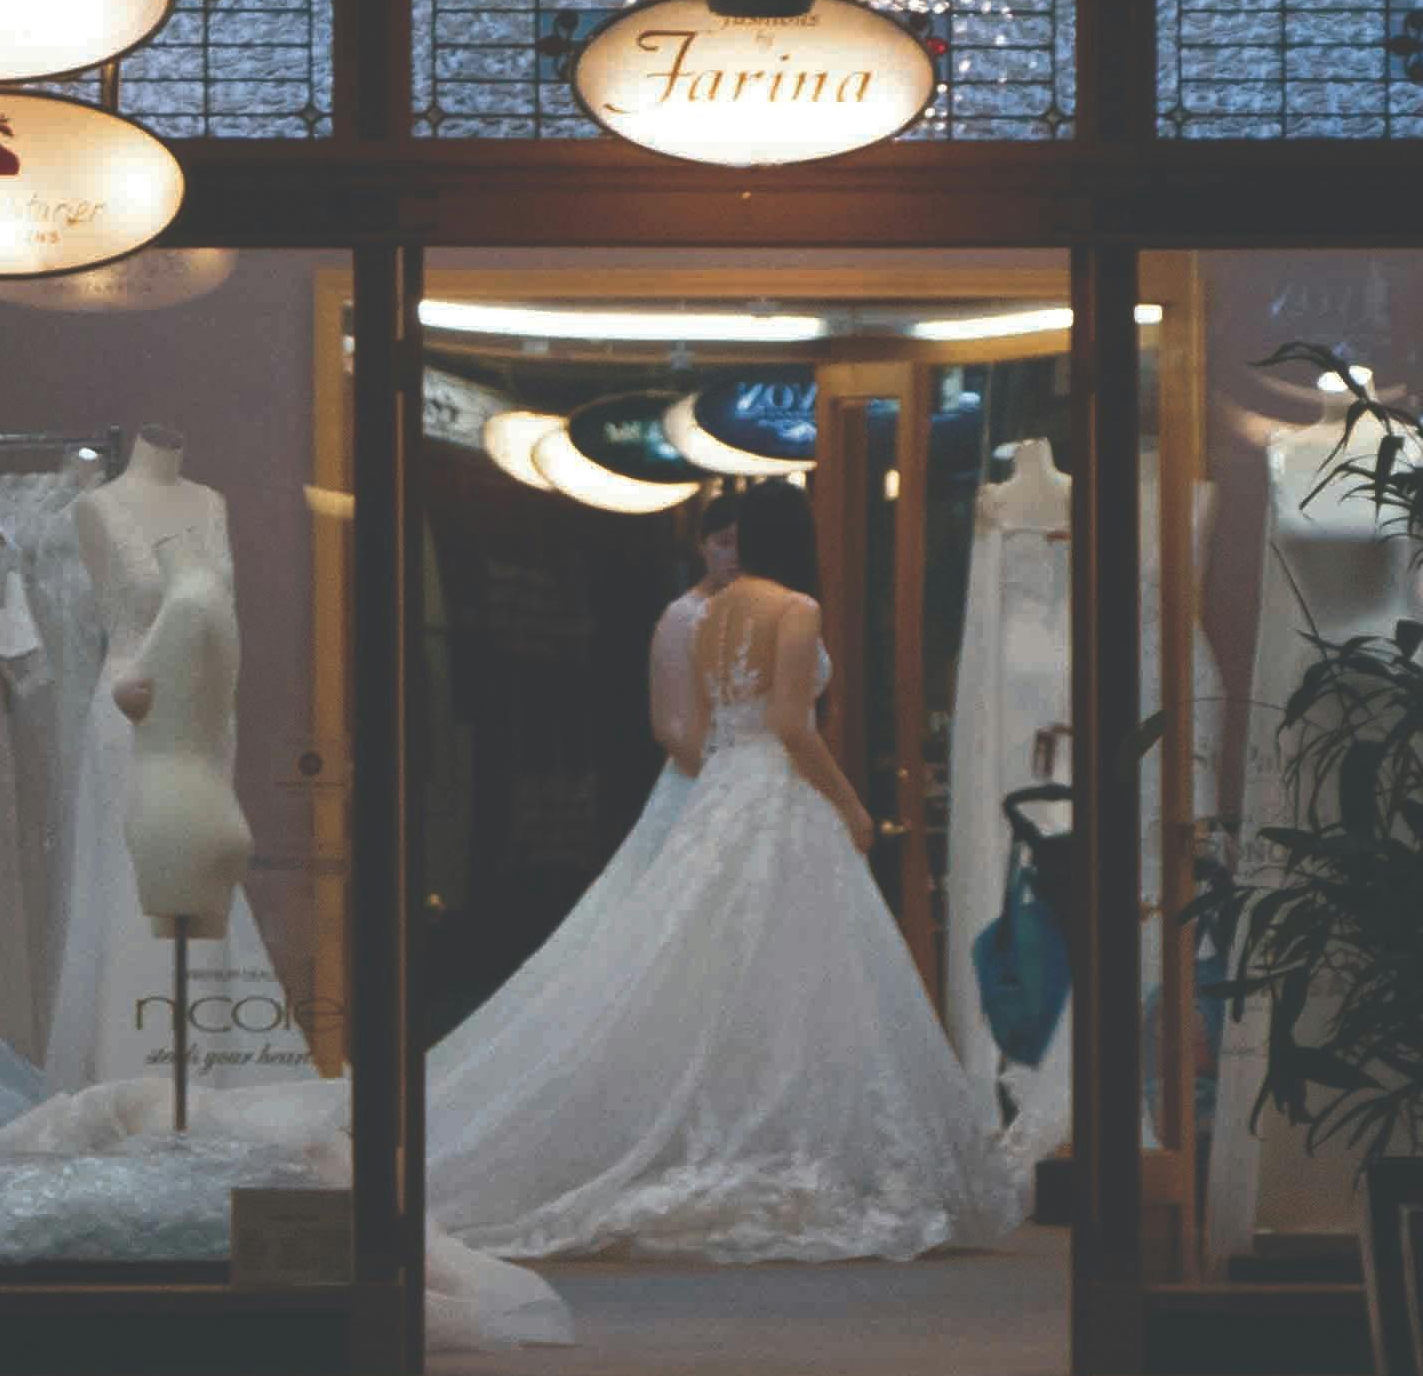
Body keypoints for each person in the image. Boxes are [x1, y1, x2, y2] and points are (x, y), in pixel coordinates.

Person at [421, 484, 1021, 1266]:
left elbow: (708, 719)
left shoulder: (707, 613)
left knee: (706, 959)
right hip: (775, 788)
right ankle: (784, 1140)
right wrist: (851, 806)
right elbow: (790, 723)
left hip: (721, 786)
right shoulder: (795, 606)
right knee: (800, 968)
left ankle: (728, 1133)